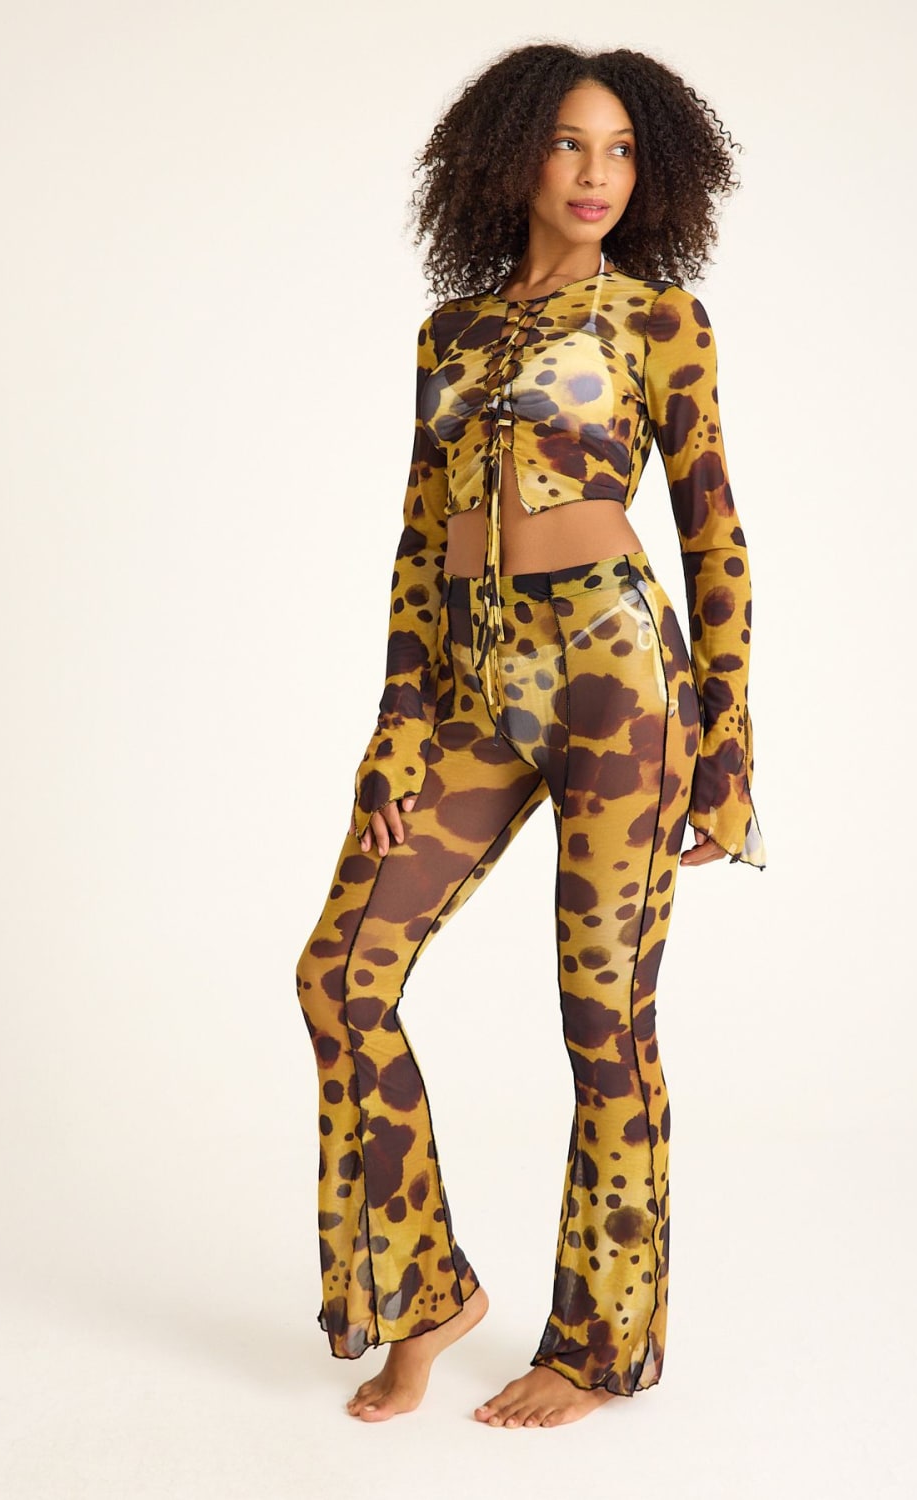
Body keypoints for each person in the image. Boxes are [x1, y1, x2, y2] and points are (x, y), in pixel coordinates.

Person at [294, 42, 766, 1429]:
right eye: (569, 143)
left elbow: (714, 532)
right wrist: (395, 733)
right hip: (469, 684)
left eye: (620, 150)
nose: (595, 174)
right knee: (340, 979)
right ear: (512, 157)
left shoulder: (659, 318)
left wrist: (729, 750)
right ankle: (423, 1296)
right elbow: (417, 545)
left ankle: (598, 1348)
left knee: (602, 1022)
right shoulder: (449, 333)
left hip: (621, 680)